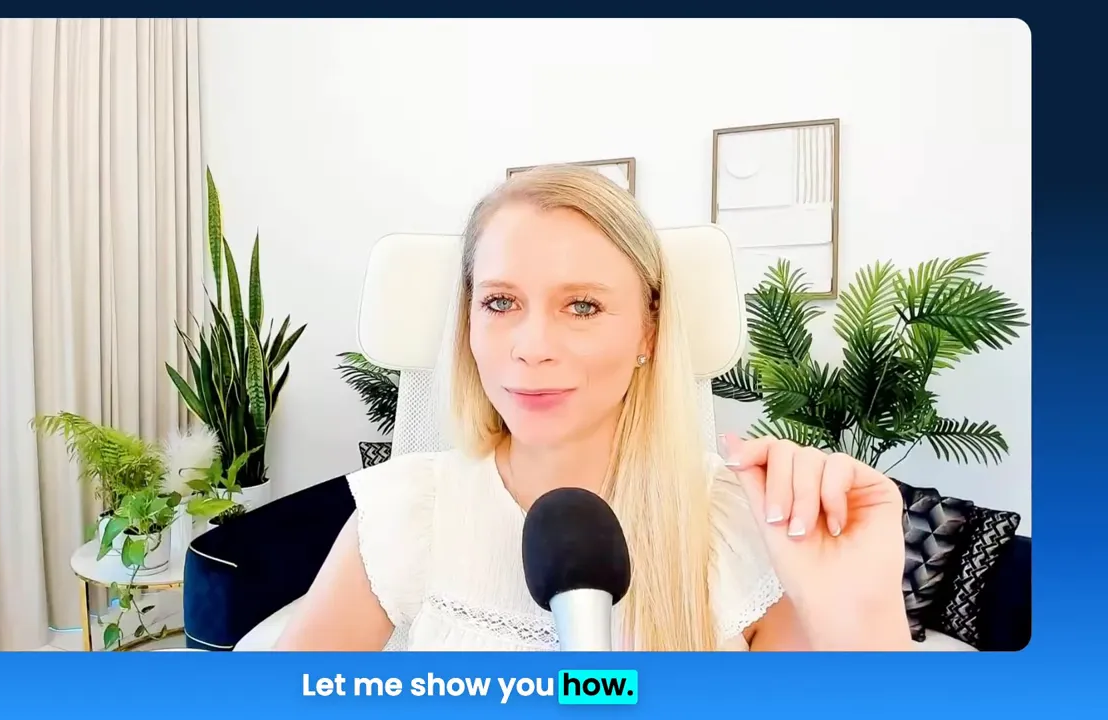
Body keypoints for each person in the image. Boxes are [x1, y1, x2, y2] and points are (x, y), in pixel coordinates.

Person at [275, 165, 910, 651]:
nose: (533, 349)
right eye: (500, 303)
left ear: (648, 332)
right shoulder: (408, 512)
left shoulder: (742, 526)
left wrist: (864, 624)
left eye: (582, 307)